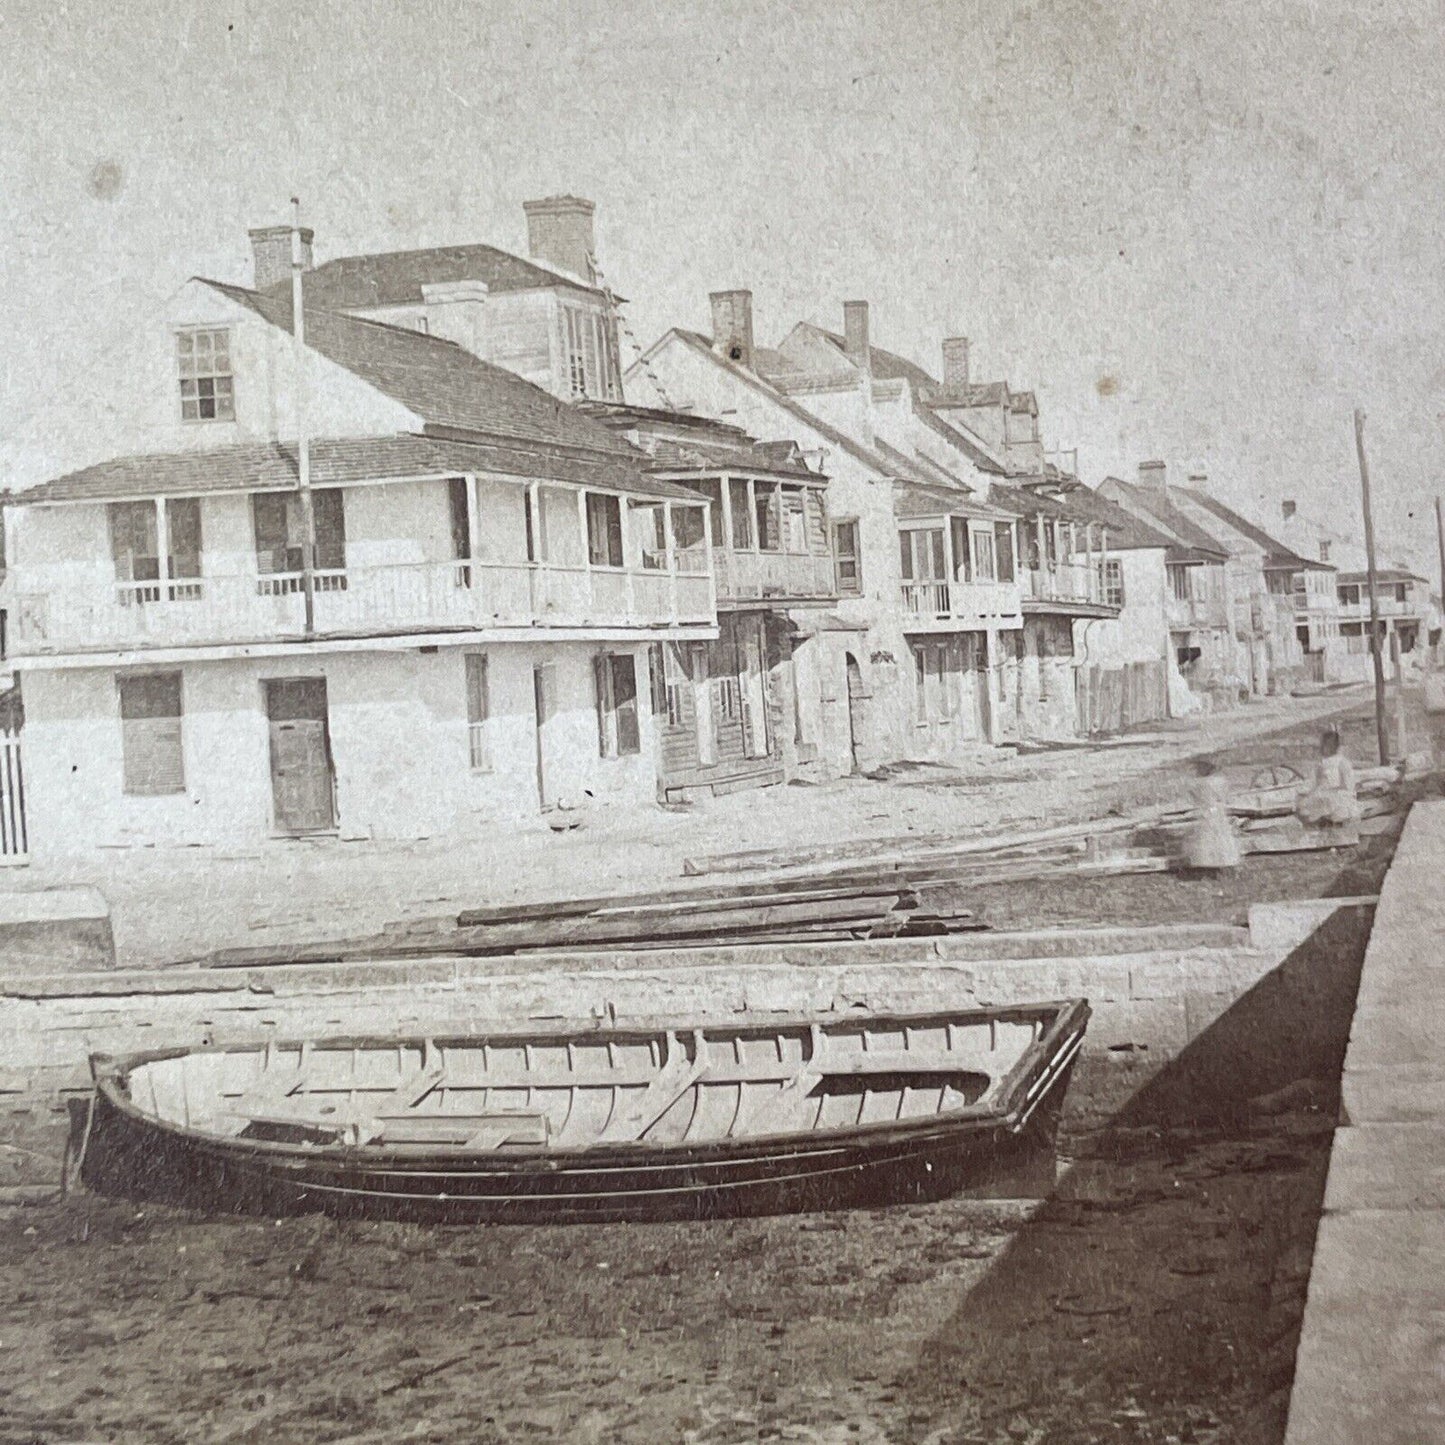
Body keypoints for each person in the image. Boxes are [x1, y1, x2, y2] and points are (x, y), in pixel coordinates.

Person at [1182, 757, 1242, 871]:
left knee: (1208, 835)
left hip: (1206, 811)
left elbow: (1193, 797)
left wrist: (1202, 803)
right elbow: (1224, 796)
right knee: (1221, 835)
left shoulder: (1198, 783)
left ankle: (1210, 862)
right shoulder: (1220, 781)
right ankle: (1223, 861)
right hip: (1218, 810)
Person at [1295, 728, 1361, 828]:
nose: (1321, 748)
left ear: (1334, 746)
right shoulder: (1320, 764)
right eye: (1322, 745)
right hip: (1321, 796)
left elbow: (1348, 786)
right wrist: (1305, 792)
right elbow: (1313, 783)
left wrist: (1331, 791)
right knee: (1303, 804)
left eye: (1325, 745)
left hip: (1337, 798)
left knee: (1329, 804)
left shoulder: (1342, 763)